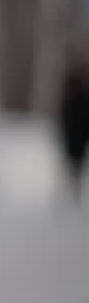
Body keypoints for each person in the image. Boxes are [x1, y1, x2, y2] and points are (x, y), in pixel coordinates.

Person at [59, 55, 89, 201]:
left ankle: (73, 191)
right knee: (71, 165)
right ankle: (70, 191)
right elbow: (64, 120)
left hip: (78, 138)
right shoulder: (70, 100)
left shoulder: (80, 100)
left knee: (76, 166)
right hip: (72, 138)